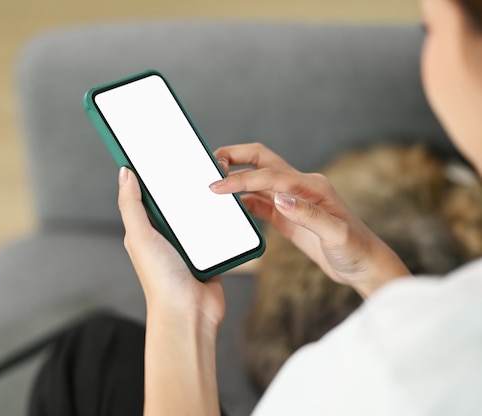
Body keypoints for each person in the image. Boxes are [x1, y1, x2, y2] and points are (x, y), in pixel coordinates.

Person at [30, 0, 482, 414]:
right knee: (98, 349)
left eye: (430, 30)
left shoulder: (375, 375)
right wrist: (375, 272)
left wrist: (181, 312)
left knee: (84, 361)